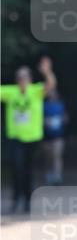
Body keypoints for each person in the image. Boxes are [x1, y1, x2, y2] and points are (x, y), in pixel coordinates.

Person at [0, 57, 57, 212]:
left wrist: (47, 72)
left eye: (24, 77)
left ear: (30, 79)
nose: (22, 80)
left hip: (33, 138)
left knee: (28, 170)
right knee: (17, 168)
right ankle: (16, 199)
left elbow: (51, 85)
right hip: (16, 138)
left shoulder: (36, 91)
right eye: (19, 77)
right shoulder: (11, 92)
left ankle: (27, 201)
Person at [42, 89, 68, 184]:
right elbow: (38, 118)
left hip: (58, 135)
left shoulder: (61, 105)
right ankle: (49, 173)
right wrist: (45, 121)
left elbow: (66, 118)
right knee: (48, 156)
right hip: (46, 136)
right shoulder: (43, 106)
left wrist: (63, 119)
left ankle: (57, 176)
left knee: (57, 155)